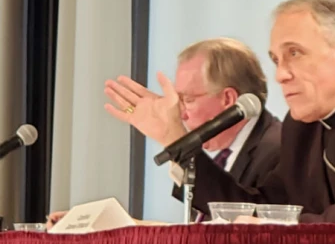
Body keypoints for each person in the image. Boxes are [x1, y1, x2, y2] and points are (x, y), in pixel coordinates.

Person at [102, 0, 335, 226]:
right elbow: (259, 208)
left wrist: (278, 226)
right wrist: (173, 137)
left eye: (294, 54)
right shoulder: (303, 126)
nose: (281, 74)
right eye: (276, 59)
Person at [47, 37, 281, 228]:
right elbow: (202, 232)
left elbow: (250, 232)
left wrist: (172, 137)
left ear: (228, 99)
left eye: (188, 100)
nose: (181, 114)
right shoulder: (228, 154)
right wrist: (113, 226)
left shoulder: (277, 149)